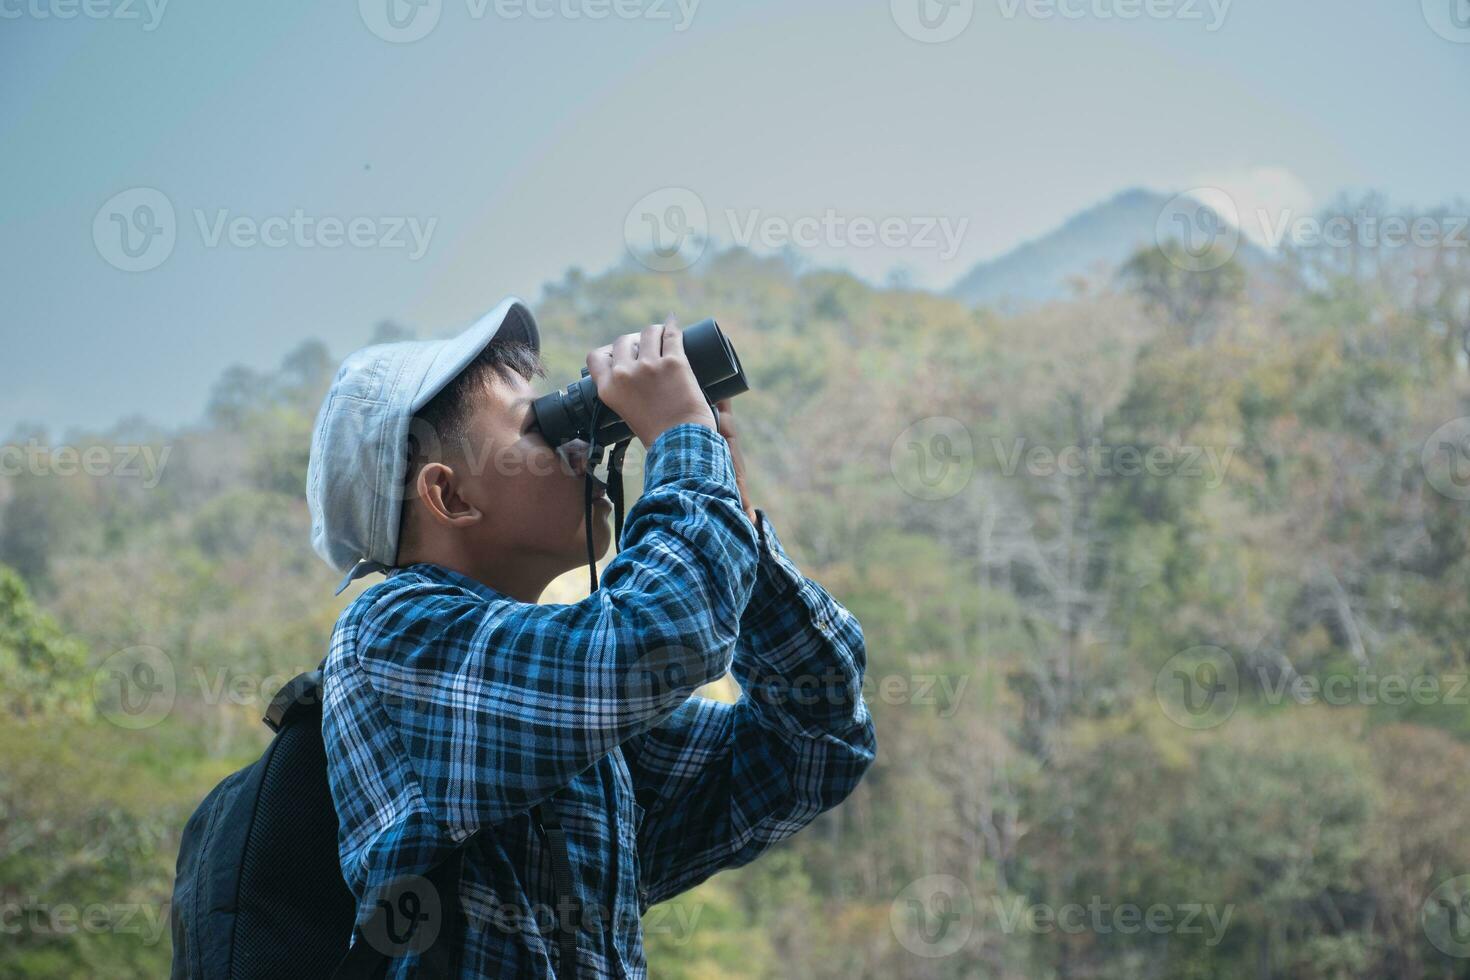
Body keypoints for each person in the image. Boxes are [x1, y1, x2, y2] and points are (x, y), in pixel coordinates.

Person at [306, 297, 876, 977]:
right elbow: (663, 638)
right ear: (450, 497)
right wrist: (680, 442)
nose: (582, 442)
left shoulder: (577, 733)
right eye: (540, 426)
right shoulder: (392, 637)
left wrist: (729, 501)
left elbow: (817, 743)